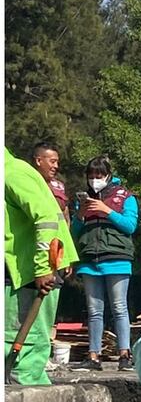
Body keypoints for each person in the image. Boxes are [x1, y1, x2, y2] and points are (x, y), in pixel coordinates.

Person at [4, 147, 78, 384]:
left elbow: (45, 218)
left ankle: (24, 397)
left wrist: (42, 268)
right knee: (28, 344)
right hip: (30, 269)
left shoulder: (11, 174)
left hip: (31, 272)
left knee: (21, 344)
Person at [69, 156, 139, 371]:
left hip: (117, 258)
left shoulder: (125, 197)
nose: (94, 180)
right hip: (90, 259)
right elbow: (73, 232)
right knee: (94, 310)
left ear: (108, 175)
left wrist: (106, 210)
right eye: (90, 176)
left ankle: (124, 355)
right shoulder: (83, 198)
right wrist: (80, 215)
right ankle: (93, 355)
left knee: (119, 307)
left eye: (99, 176)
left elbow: (130, 226)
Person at [30, 142, 70, 367]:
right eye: (51, 161)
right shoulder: (28, 184)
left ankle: (43, 353)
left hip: (58, 253)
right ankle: (32, 358)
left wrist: (69, 253)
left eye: (57, 161)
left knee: (50, 308)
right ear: (38, 160)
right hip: (38, 256)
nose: (56, 165)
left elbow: (65, 217)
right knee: (34, 307)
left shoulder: (58, 187)